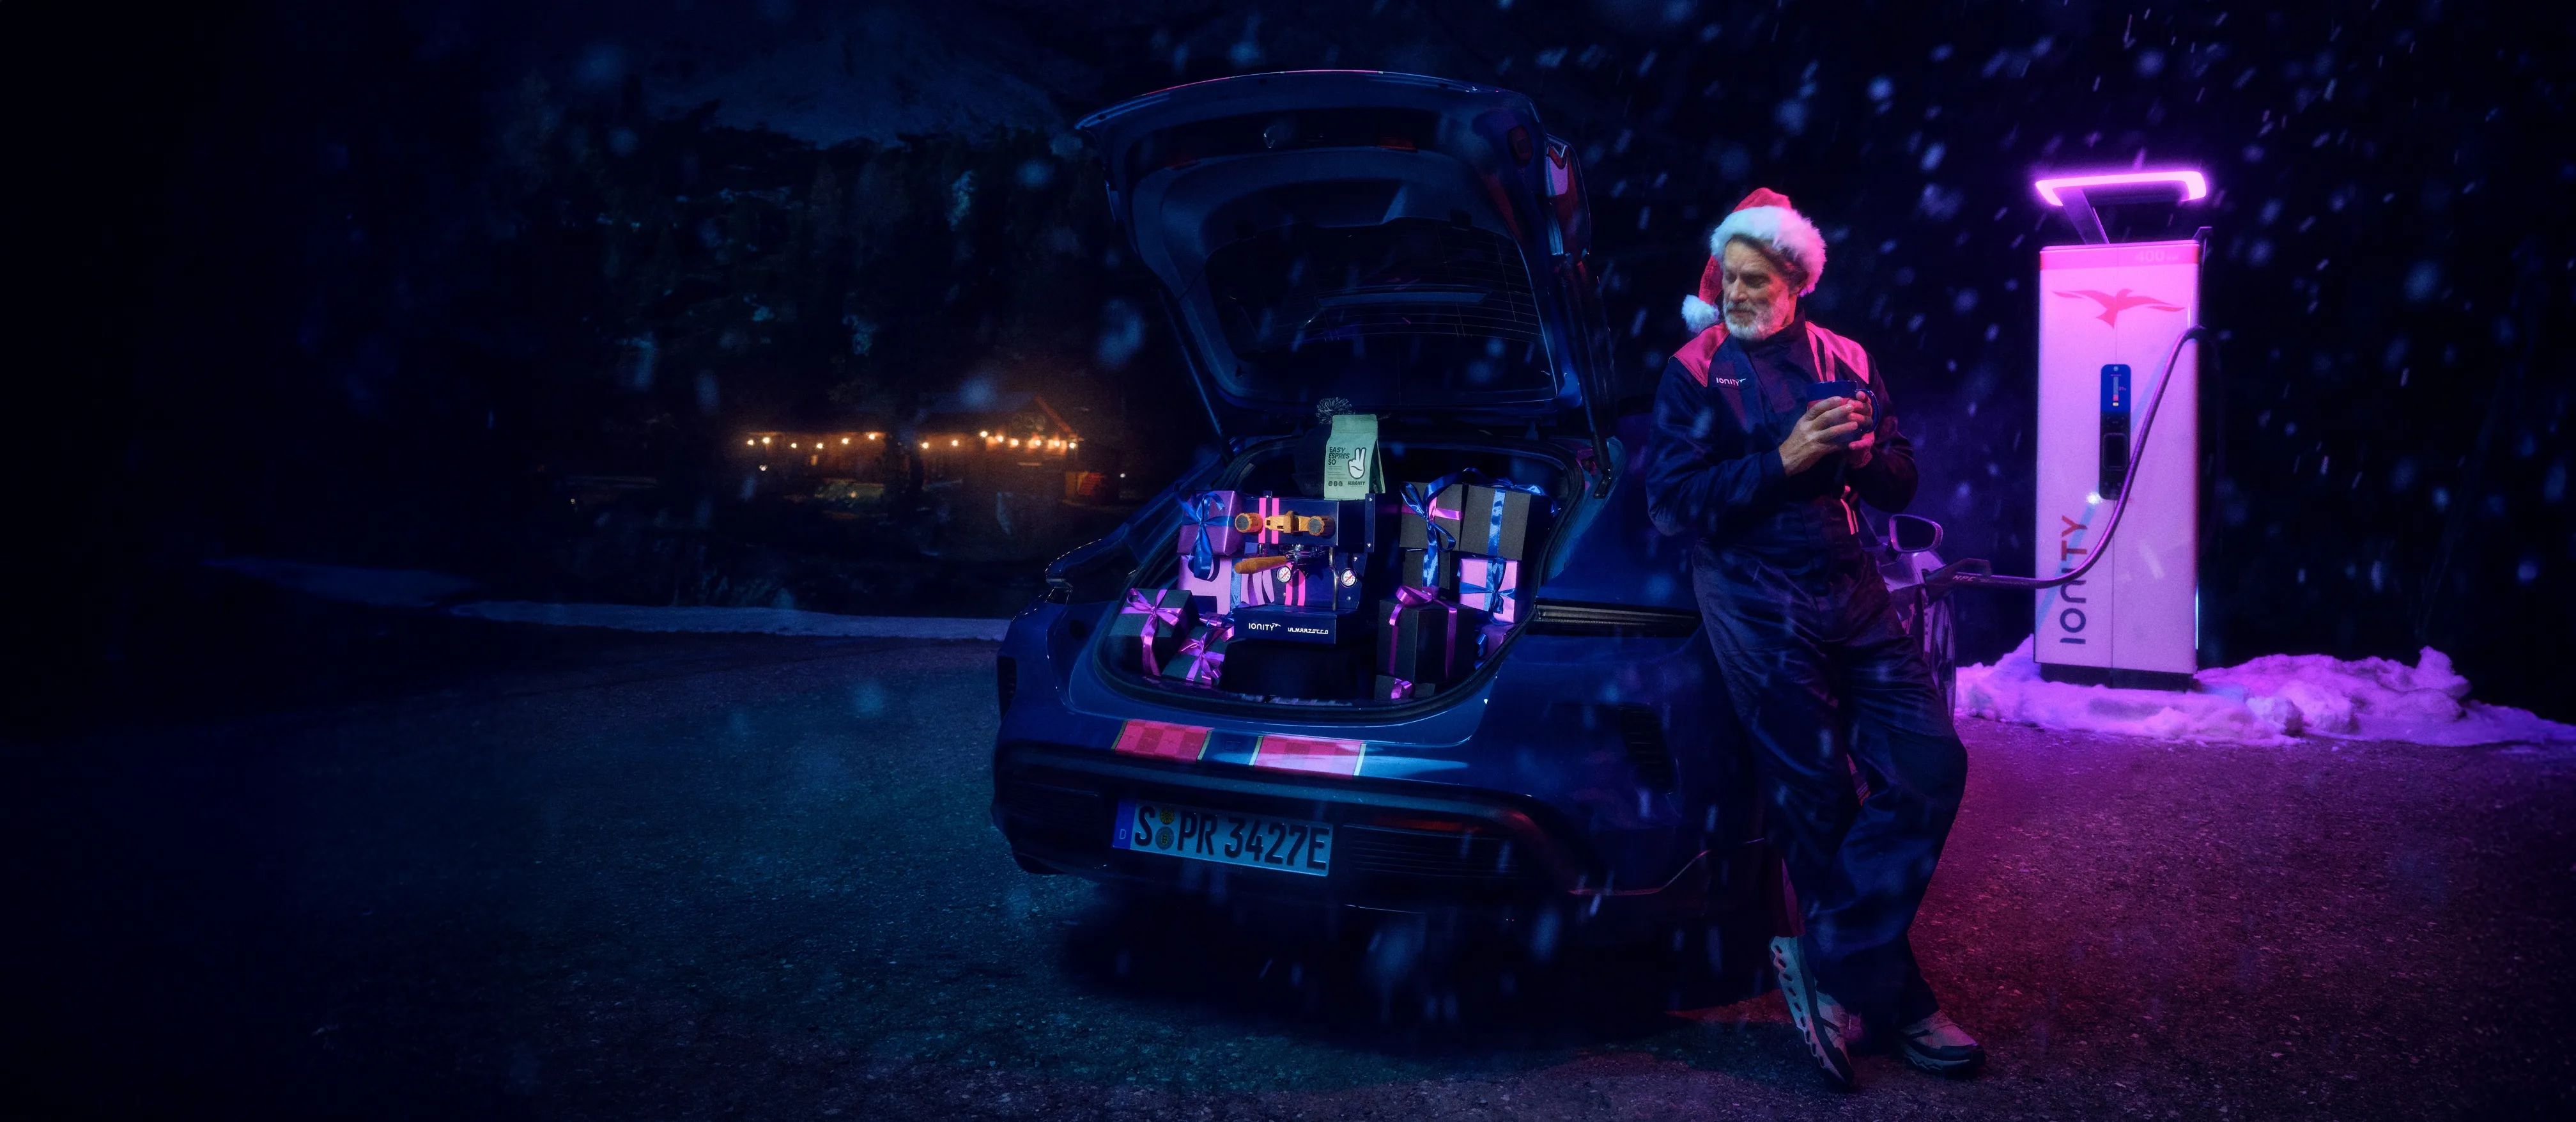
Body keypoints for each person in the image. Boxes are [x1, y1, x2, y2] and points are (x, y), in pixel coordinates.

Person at [1642, 188, 1982, 1089]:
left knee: (1930, 763)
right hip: (1751, 595)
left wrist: (1865, 458)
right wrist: (1783, 460)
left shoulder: (1847, 357)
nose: (1735, 294)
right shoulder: (1694, 371)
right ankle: (1900, 1002)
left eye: (1756, 279)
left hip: (1849, 583)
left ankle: (1830, 961)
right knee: (1817, 798)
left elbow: (1901, 479)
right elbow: (1672, 503)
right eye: (1728, 277)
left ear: (1796, 281)